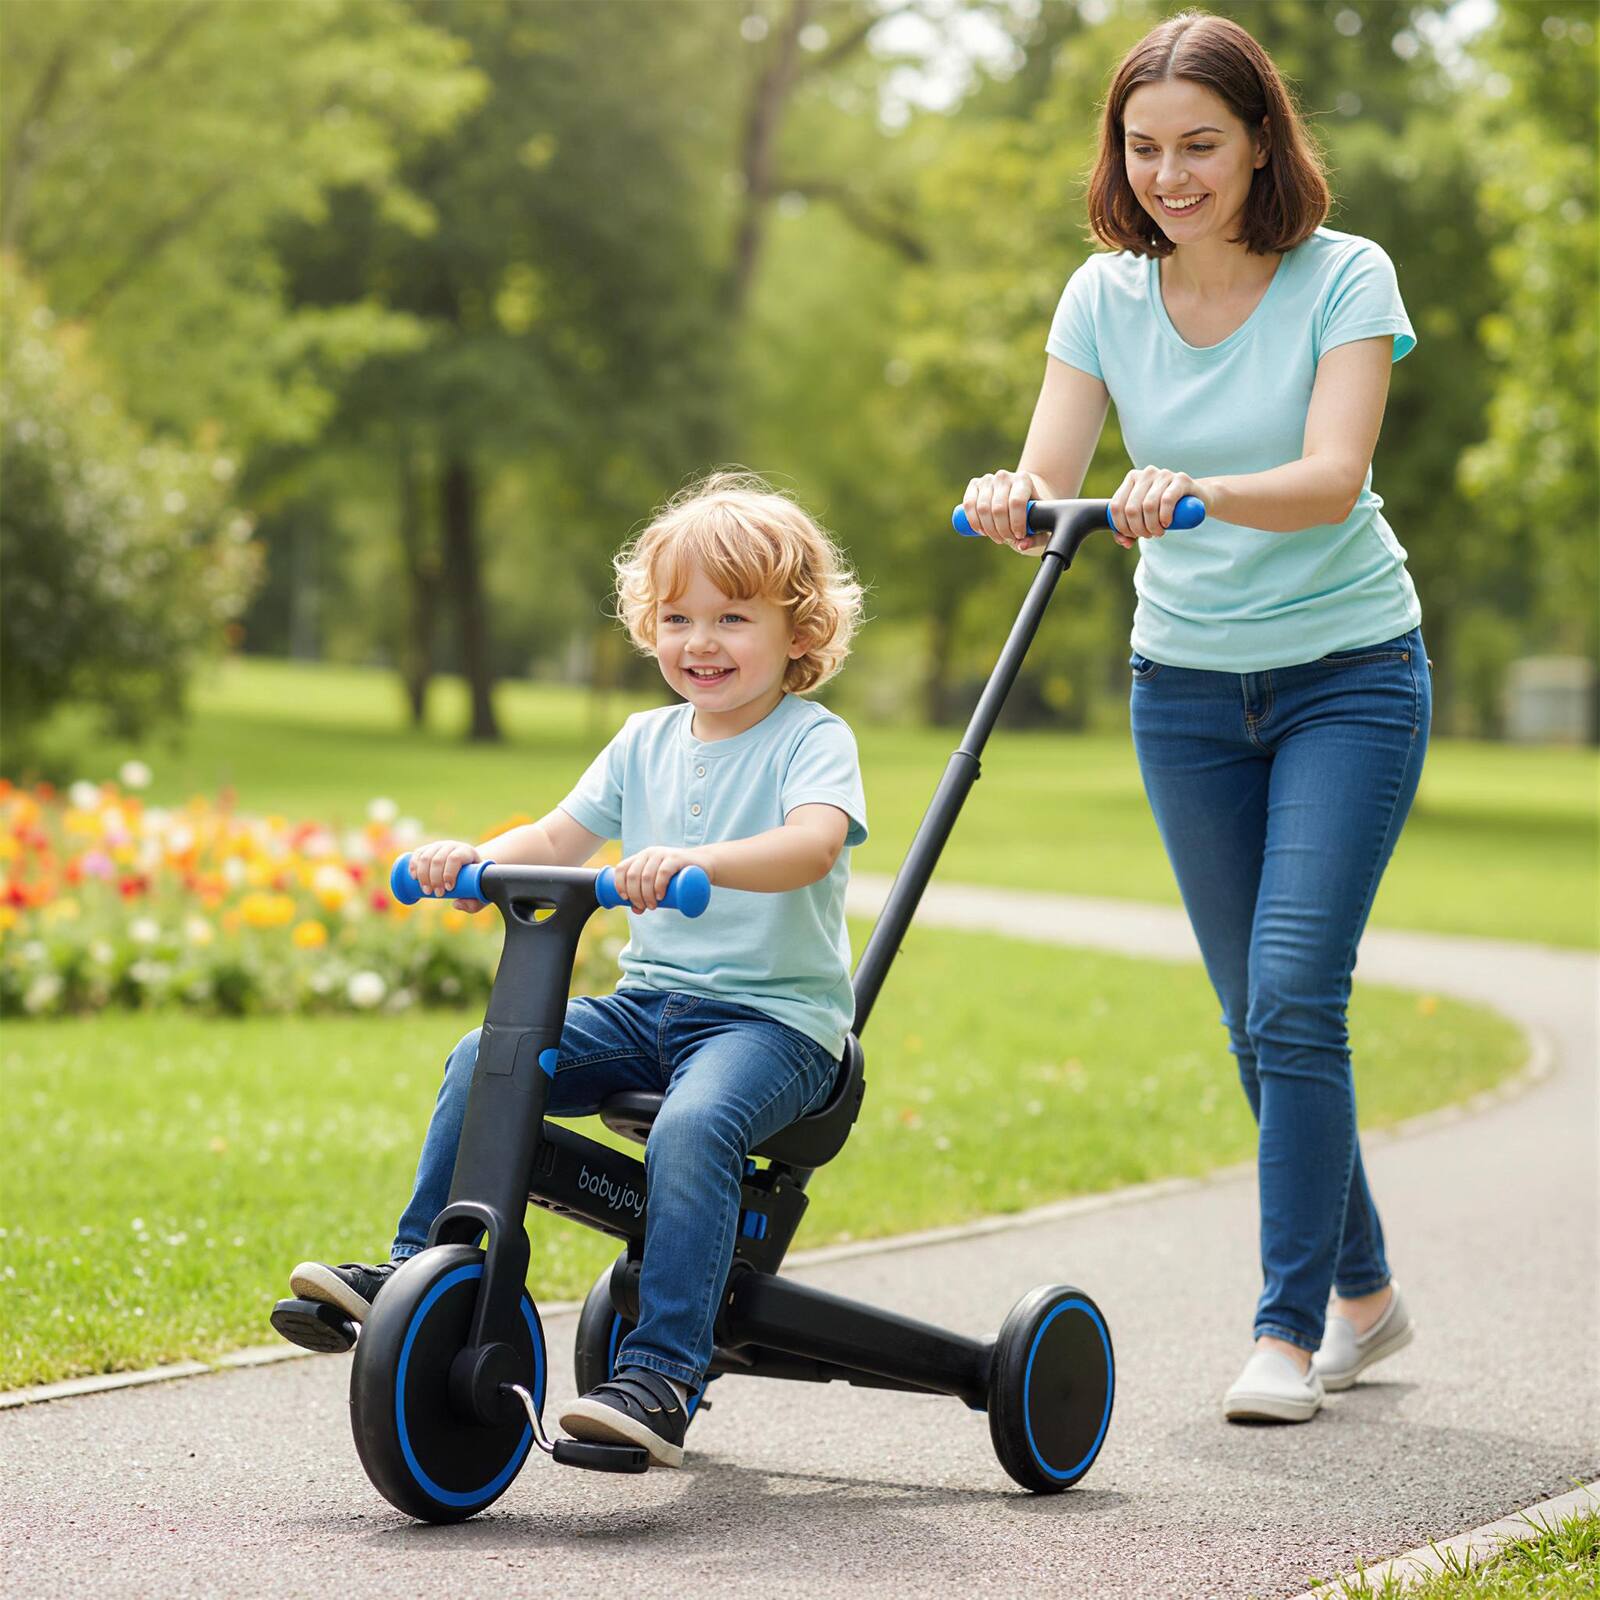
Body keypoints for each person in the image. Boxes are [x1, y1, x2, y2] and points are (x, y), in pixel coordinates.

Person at [962, 11, 1426, 1424]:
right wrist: (1011, 503)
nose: (1170, 175)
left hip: (1350, 672)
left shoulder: (1344, 276)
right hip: (1185, 690)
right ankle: (1370, 1295)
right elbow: (1052, 478)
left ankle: (1289, 1331)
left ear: (1263, 141)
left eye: (1200, 147)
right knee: (1257, 1015)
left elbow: (1335, 476)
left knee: (1294, 992)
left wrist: (1192, 491)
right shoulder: (1103, 296)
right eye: (1144, 147)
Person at [285, 471, 868, 1467]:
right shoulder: (643, 740)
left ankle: (661, 1374)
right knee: (487, 1059)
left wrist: (698, 863)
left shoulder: (809, 741)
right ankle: (417, 1263)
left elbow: (812, 846)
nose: (700, 640)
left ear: (798, 630)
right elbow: (556, 834)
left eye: (733, 616)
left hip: (775, 1027)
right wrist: (473, 859)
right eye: (678, 615)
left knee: (694, 1123)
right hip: (651, 1007)